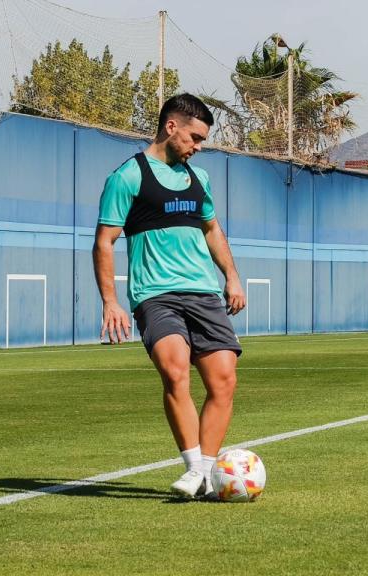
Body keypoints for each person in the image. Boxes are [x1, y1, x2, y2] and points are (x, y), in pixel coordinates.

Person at [93, 93, 246, 499]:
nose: (198, 147)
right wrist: (110, 301)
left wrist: (231, 276)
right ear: (171, 126)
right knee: (175, 370)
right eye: (194, 138)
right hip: (155, 294)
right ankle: (195, 467)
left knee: (224, 381)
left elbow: (212, 229)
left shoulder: (200, 179)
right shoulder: (128, 177)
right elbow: (104, 242)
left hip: (204, 293)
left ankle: (205, 474)